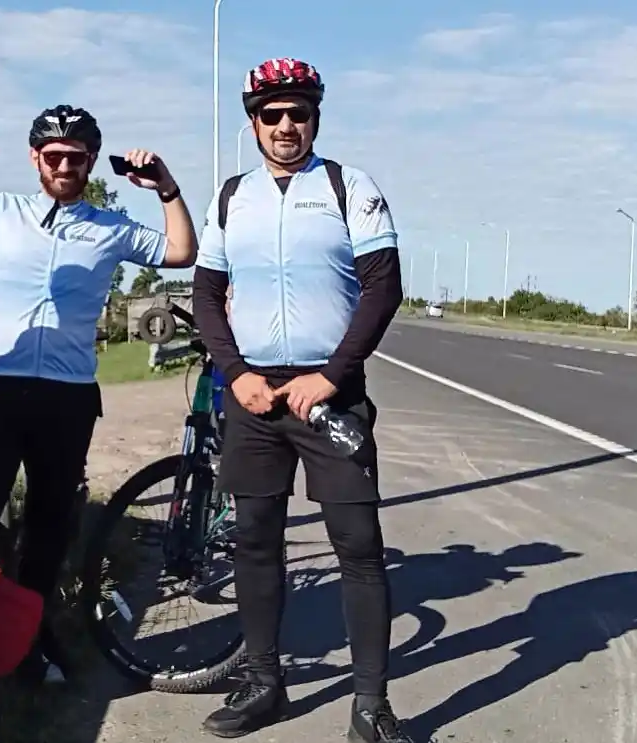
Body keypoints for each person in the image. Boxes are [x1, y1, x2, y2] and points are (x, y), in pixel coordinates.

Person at [0, 104, 199, 685]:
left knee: (49, 526)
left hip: (65, 396)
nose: (64, 165)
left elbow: (181, 251)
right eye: (53, 155)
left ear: (89, 163)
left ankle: (27, 644)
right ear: (36, 158)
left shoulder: (109, 228)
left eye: (76, 157)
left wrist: (166, 186)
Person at [192, 58, 411, 742]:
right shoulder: (232, 196)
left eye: (299, 113)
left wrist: (335, 373)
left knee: (358, 543)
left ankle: (371, 705)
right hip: (255, 394)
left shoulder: (349, 186)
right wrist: (234, 372)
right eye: (272, 114)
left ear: (316, 117)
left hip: (330, 392)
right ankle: (263, 682)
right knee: (254, 541)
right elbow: (204, 292)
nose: (286, 126)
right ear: (253, 121)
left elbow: (383, 287)